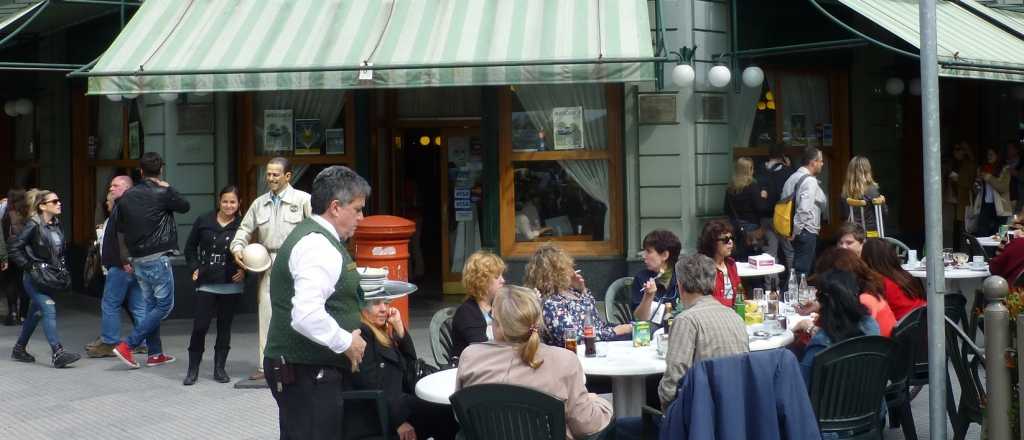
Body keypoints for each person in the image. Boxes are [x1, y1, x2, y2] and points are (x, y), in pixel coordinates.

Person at [263, 165, 370, 440]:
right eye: (357, 209)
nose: (361, 217)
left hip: (307, 371)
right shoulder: (317, 246)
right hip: (305, 372)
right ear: (335, 207)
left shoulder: (318, 239)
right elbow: (306, 314)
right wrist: (346, 342)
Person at [457, 285, 613, 440]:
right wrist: (602, 404)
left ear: (498, 324)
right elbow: (586, 426)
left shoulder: (470, 356)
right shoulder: (564, 361)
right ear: (537, 320)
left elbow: (461, 415)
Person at [231, 157, 312, 383]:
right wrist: (238, 247)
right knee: (266, 312)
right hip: (267, 262)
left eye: (276, 174)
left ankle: (299, 362)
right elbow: (244, 229)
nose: (271, 178)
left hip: (297, 262)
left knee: (300, 311)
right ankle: (266, 364)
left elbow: (317, 228)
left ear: (288, 176)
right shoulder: (259, 203)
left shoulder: (304, 200)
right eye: (268, 174)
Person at [111, 152, 190, 368]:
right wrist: (168, 187)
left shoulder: (127, 196)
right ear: (161, 170)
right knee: (164, 306)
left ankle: (155, 354)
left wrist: (124, 257)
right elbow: (185, 206)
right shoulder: (163, 192)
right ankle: (128, 344)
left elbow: (119, 229)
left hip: (137, 259)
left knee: (150, 306)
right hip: (158, 257)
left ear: (141, 171)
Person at [345, 290, 455, 440]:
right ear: (362, 308)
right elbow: (369, 383)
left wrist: (400, 329)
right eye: (376, 303)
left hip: (399, 403)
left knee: (448, 411)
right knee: (448, 414)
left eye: (386, 303)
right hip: (380, 414)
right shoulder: (363, 334)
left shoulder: (380, 333)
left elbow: (410, 366)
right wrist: (399, 422)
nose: (384, 308)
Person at [658, 253, 749, 408]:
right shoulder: (735, 317)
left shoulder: (686, 321)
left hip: (700, 416)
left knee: (622, 426)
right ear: (713, 282)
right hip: (735, 411)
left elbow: (672, 384)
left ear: (680, 285)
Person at [8, 190, 81, 368]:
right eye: (54, 201)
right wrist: (29, 266)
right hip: (33, 278)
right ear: (42, 206)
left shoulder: (56, 224)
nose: (59, 204)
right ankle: (58, 353)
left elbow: (58, 252)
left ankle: (19, 349)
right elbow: (14, 248)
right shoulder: (33, 224)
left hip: (49, 278)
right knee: (49, 309)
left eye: (59, 200)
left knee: (34, 315)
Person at [182, 185, 244, 386]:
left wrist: (244, 271)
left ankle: (219, 369)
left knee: (224, 327)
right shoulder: (204, 220)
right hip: (207, 282)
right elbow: (190, 247)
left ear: (239, 204)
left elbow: (252, 251)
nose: (228, 205)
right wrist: (195, 267)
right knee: (200, 327)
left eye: (233, 202)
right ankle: (193, 369)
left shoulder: (243, 225)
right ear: (219, 201)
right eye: (225, 201)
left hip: (230, 283)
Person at [84, 175, 147, 358]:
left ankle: (109, 341)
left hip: (121, 265)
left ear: (127, 188)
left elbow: (126, 236)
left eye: (115, 185)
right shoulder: (131, 206)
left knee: (110, 303)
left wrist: (125, 260)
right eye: (110, 185)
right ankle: (143, 341)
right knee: (137, 305)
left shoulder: (125, 207)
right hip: (131, 264)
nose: (110, 188)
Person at [524, 244, 632, 347]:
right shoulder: (550, 303)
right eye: (567, 267)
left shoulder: (572, 291)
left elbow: (594, 320)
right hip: (575, 353)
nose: (572, 270)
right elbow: (573, 338)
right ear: (556, 273)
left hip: (598, 342)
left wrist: (582, 289)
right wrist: (614, 332)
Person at [797, 270, 880, 386]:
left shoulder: (820, 346)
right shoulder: (871, 325)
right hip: (871, 400)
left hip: (825, 403)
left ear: (822, 301)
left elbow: (802, 389)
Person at [809, 248, 896, 337]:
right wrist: (821, 307)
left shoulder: (864, 301)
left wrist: (808, 327)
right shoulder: (869, 291)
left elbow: (840, 337)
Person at [450, 250, 506, 360]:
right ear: (481, 280)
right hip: (472, 369)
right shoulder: (466, 313)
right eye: (497, 276)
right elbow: (482, 349)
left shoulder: (499, 305)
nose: (503, 280)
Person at [781, 146, 828, 276]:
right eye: (820, 161)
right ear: (813, 162)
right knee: (801, 273)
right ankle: (788, 296)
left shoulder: (792, 178)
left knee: (799, 270)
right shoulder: (810, 181)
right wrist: (796, 230)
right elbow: (804, 209)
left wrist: (792, 230)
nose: (822, 164)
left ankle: (793, 295)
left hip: (794, 230)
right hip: (805, 231)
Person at [860, 239, 926, 320]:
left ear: (866, 258)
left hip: (903, 326)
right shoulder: (904, 275)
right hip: (924, 319)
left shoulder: (876, 283)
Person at [632, 229, 682, 321]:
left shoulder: (682, 278)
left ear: (664, 255)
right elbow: (638, 320)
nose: (644, 255)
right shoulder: (641, 278)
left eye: (649, 251)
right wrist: (648, 296)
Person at [758, 143, 794, 270]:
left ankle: (770, 287)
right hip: (781, 216)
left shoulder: (762, 169)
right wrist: (789, 167)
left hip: (765, 217)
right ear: (783, 155)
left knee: (770, 256)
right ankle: (792, 284)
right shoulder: (787, 171)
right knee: (789, 252)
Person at [724, 157, 769, 259]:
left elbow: (726, 209)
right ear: (749, 169)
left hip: (735, 225)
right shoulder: (752, 186)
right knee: (752, 256)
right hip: (751, 226)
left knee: (738, 255)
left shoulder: (730, 188)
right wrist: (763, 197)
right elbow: (760, 208)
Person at [697, 220, 742, 308]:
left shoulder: (731, 263)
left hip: (734, 313)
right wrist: (732, 304)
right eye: (725, 240)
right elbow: (704, 300)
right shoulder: (702, 266)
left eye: (731, 238)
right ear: (712, 243)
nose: (730, 242)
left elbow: (739, 293)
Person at [2, 189, 29, 325]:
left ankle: (12, 313)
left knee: (9, 282)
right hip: (24, 253)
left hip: (9, 252)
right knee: (24, 283)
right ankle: (23, 315)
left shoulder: (7, 215)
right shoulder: (27, 214)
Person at [841, 156, 885, 237]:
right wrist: (883, 202)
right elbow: (883, 213)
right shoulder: (872, 190)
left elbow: (843, 214)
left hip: (853, 233)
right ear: (867, 171)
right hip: (871, 234)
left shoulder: (845, 192)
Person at [972, 147, 1012, 237]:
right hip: (985, 205)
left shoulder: (1005, 168)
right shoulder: (982, 168)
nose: (988, 157)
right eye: (987, 154)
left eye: (991, 154)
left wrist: (988, 177)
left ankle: (999, 251)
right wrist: (977, 184)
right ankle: (983, 251)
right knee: (982, 233)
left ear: (998, 156)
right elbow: (976, 190)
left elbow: (1003, 188)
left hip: (1002, 207)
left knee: (1001, 236)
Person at [949, 142, 977, 245]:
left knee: (966, 228)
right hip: (953, 200)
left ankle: (968, 253)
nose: (957, 152)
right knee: (956, 228)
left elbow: (972, 182)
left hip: (964, 200)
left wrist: (958, 179)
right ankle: (956, 251)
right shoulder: (952, 163)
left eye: (960, 150)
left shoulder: (969, 164)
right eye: (955, 150)